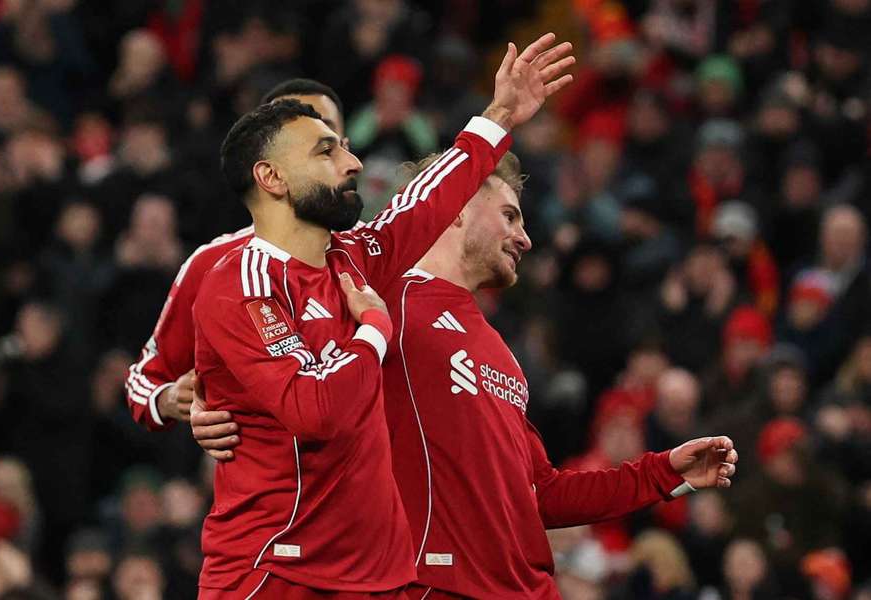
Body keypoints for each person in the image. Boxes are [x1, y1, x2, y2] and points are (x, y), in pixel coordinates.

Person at [195, 143, 738, 600]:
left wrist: (665, 474)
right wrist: (197, 401)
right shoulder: (374, 297)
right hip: (436, 586)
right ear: (454, 206)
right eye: (509, 215)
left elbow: (540, 493)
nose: (525, 237)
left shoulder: (501, 350)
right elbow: (271, 338)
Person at [192, 34, 575, 598]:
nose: (352, 163)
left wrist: (498, 116)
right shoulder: (239, 281)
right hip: (275, 573)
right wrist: (372, 330)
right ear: (270, 178)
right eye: (326, 152)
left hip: (369, 578)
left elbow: (423, 203)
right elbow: (316, 409)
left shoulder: (354, 259)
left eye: (345, 147)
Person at [125, 78, 348, 432]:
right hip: (262, 480)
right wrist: (169, 398)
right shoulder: (213, 263)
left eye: (326, 139)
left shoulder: (385, 251)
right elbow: (146, 376)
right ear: (264, 158)